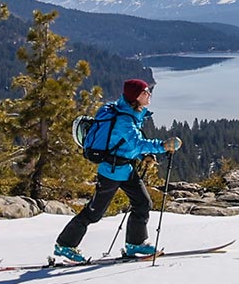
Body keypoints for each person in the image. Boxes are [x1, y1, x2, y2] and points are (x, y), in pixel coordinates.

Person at [54, 79, 180, 261]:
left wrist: (141, 156)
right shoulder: (124, 119)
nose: (149, 95)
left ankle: (135, 244)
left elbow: (123, 144)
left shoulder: (129, 113)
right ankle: (64, 245)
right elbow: (137, 142)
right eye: (145, 92)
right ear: (136, 97)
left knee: (143, 203)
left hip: (125, 169)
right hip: (111, 172)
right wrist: (163, 146)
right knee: (94, 213)